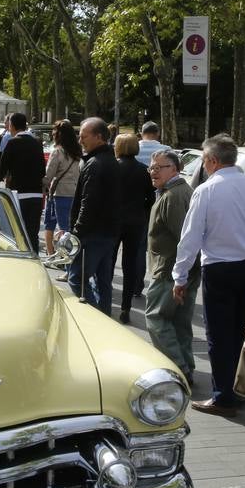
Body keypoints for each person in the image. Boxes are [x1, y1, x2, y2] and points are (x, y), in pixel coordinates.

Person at [175, 134, 245, 418]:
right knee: (242, 332)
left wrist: (180, 275)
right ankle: (237, 388)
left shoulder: (207, 190)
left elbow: (191, 237)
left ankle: (224, 395)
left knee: (219, 335)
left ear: (211, 161)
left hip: (219, 268)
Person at [144, 149, 196, 379]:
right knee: (179, 321)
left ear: (174, 169)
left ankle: (177, 367)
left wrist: (180, 275)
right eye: (151, 167)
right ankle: (186, 366)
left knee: (155, 317)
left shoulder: (174, 196)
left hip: (169, 270)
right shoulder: (179, 191)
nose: (153, 172)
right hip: (182, 269)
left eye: (159, 167)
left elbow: (183, 238)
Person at [67, 118, 121, 313]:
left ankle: (96, 318)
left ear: (99, 137)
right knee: (103, 282)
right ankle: (104, 319)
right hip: (107, 232)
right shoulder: (108, 160)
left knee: (76, 279)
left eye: (83, 136)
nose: (80, 140)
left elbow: (88, 203)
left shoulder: (96, 164)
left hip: (93, 234)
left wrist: (76, 233)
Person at [113, 133, 155, 324]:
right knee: (130, 264)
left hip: (113, 220)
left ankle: (105, 301)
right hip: (136, 221)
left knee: (109, 261)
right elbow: (151, 199)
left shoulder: (113, 168)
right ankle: (126, 306)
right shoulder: (143, 171)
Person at [0, 113, 45, 251]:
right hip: (36, 194)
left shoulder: (12, 142)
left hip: (18, 194)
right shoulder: (37, 143)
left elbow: (2, 168)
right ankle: (35, 260)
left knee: (17, 233)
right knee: (33, 234)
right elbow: (42, 170)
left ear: (12, 125)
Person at [42, 120, 81, 256]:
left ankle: (54, 255)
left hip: (58, 193)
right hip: (74, 193)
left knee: (54, 225)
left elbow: (48, 175)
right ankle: (61, 255)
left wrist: (41, 185)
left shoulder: (57, 152)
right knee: (68, 228)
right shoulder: (78, 152)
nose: (52, 134)